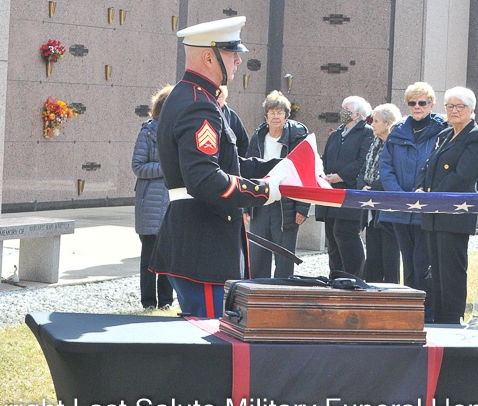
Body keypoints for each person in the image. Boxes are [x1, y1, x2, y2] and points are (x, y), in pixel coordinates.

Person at [149, 16, 283, 319]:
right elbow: (205, 179)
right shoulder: (199, 103)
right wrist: (265, 191)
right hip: (204, 245)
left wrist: (280, 167)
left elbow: (228, 163)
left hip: (198, 240)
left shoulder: (192, 96)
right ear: (209, 57)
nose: (238, 60)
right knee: (211, 338)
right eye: (231, 53)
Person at [416, 87, 478, 324]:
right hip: (433, 213)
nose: (454, 111)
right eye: (450, 106)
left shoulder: (476, 136)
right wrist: (421, 187)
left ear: (471, 110)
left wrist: (435, 195)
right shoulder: (444, 134)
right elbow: (428, 166)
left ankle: (452, 320)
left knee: (452, 272)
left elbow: (464, 175)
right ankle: (439, 320)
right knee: (436, 272)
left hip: (454, 214)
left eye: (460, 106)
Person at [380, 82, 447, 321]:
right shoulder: (397, 131)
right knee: (407, 263)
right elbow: (385, 166)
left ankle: (426, 314)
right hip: (400, 209)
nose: (417, 107)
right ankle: (408, 312)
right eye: (412, 103)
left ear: (431, 104)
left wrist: (423, 193)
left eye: (422, 102)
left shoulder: (443, 130)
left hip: (426, 209)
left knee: (423, 264)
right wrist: (398, 195)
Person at [246, 90, 310, 278]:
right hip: (260, 201)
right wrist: (245, 206)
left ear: (286, 116)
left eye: (280, 112)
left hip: (287, 204)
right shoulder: (258, 137)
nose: (276, 116)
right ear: (266, 116)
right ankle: (259, 292)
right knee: (257, 255)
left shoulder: (297, 137)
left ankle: (282, 292)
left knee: (284, 258)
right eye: (272, 112)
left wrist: (303, 207)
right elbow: (248, 171)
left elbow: (306, 172)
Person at [315, 96, 373, 276]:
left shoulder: (366, 133)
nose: (343, 112)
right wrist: (324, 174)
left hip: (350, 193)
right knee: (332, 237)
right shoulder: (337, 133)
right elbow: (326, 157)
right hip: (331, 193)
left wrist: (340, 176)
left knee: (345, 234)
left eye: (346, 109)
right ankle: (336, 276)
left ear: (357, 114)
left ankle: (354, 276)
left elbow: (362, 161)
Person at [132, 85, 175, 311]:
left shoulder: (179, 131)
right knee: (149, 258)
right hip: (150, 202)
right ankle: (148, 302)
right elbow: (138, 166)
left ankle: (166, 301)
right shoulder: (148, 132)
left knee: (168, 256)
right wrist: (165, 168)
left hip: (171, 202)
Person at [356, 103, 402, 284]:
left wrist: (373, 189)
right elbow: (363, 169)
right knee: (373, 255)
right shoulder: (374, 142)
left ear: (388, 123)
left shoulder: (397, 145)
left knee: (389, 256)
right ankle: (372, 291)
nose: (372, 125)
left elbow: (393, 173)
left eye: (376, 121)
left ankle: (391, 293)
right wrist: (362, 186)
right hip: (371, 206)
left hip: (388, 207)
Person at [217, 85, 249, 157]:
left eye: (219, 97)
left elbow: (244, 142)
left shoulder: (232, 116)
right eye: (213, 96)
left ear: (224, 98)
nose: (216, 100)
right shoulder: (204, 115)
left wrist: (238, 160)